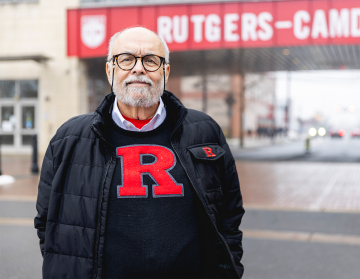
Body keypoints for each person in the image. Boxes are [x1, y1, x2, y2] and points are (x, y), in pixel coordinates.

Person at [34, 26, 244, 279]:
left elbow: (229, 213)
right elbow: (48, 222)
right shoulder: (69, 138)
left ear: (165, 72)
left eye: (150, 60)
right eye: (126, 59)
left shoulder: (205, 131)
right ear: (110, 70)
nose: (138, 68)